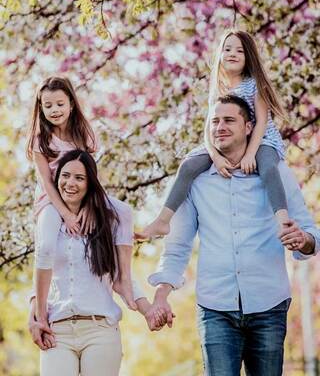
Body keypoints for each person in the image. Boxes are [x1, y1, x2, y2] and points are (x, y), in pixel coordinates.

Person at [148, 95, 320, 376]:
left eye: (229, 120)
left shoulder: (276, 172)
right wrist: (161, 295)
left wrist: (305, 240)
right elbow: (177, 246)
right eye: (214, 121)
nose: (220, 127)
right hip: (216, 306)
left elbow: (310, 232)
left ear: (249, 126)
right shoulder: (197, 181)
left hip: (269, 303)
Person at [136, 30, 289, 240]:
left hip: (260, 139)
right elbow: (210, 127)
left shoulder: (254, 83)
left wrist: (250, 154)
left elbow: (262, 121)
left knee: (268, 167)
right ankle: (162, 221)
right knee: (188, 166)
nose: (232, 54)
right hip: (226, 141)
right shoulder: (218, 87)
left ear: (249, 56)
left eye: (239, 50)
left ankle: (283, 220)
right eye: (227, 49)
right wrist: (215, 157)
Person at [28, 150, 165, 376]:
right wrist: (33, 314)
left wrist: (148, 310)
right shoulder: (48, 221)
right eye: (65, 175)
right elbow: (41, 271)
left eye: (79, 178)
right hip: (57, 330)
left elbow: (123, 278)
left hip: (100, 330)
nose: (70, 183)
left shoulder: (105, 224)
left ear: (90, 183)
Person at [26, 76, 136, 310]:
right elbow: (46, 182)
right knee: (45, 245)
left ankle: (124, 279)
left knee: (124, 211)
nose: (54, 110)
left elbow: (90, 175)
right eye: (48, 105)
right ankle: (40, 305)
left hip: (83, 195)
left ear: (71, 104)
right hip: (51, 200)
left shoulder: (83, 134)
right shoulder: (40, 141)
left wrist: (90, 205)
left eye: (59, 103)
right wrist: (65, 213)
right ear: (41, 108)